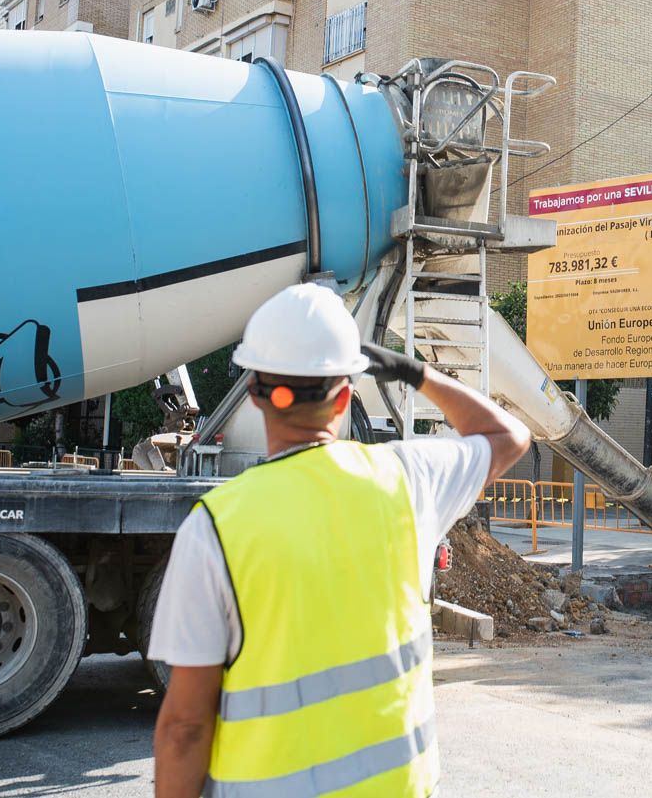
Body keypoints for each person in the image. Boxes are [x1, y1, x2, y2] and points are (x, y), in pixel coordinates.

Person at [150, 283, 531, 798]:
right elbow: (508, 436)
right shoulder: (409, 480)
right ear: (347, 396)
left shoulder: (215, 526)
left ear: (256, 395)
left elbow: (184, 728)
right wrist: (413, 371)